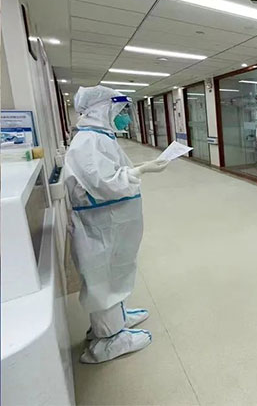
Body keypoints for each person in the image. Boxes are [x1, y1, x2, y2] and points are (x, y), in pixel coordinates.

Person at [64, 86, 169, 363]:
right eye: (120, 110)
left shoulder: (98, 137)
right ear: (103, 109)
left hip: (109, 220)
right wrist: (141, 170)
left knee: (114, 272)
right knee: (104, 277)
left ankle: (115, 319)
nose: (125, 117)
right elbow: (105, 183)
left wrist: (136, 169)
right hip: (100, 224)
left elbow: (108, 173)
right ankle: (108, 340)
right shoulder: (89, 141)